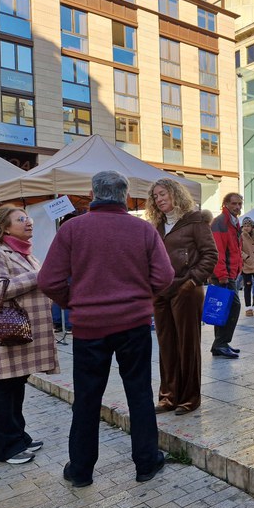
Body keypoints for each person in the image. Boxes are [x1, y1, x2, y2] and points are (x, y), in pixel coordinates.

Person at [38, 171, 174, 487]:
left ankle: (81, 470)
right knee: (139, 392)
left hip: (88, 328)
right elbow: (165, 277)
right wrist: (141, 297)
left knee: (86, 397)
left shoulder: (72, 229)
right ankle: (146, 462)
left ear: (93, 194)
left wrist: (74, 301)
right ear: (124, 195)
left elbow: (48, 280)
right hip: (134, 325)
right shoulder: (143, 230)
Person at [0, 207, 60, 465]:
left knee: (16, 386)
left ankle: (19, 437)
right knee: (4, 388)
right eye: (21, 219)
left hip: (22, 333)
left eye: (29, 218)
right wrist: (39, 275)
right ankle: (6, 448)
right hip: (6, 333)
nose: (29, 222)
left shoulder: (26, 254)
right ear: (5, 227)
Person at [146, 178, 218, 416]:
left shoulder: (195, 221)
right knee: (166, 346)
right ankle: (168, 396)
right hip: (161, 291)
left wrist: (192, 280)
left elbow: (210, 254)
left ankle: (189, 398)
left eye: (163, 193)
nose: (159, 199)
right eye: (155, 196)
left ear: (176, 194)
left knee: (187, 346)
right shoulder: (155, 226)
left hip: (186, 289)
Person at [209, 192, 244, 358]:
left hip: (230, 273)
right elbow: (218, 251)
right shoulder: (221, 222)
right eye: (234, 204)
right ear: (226, 204)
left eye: (239, 204)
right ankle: (221, 343)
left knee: (223, 307)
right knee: (233, 306)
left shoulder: (233, 222)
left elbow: (235, 249)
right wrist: (222, 274)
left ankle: (220, 344)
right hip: (224, 274)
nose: (237, 207)